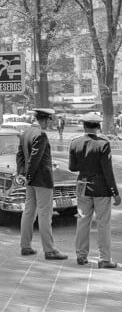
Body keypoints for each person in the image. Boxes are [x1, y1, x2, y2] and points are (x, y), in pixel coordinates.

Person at [69, 113, 121, 268]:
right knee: (103, 224)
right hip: (101, 188)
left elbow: (72, 167)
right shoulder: (103, 144)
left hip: (82, 186)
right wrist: (115, 192)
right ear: (98, 127)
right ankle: (105, 259)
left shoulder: (74, 143)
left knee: (82, 221)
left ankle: (81, 255)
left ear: (84, 126)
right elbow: (108, 171)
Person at [16, 108, 68, 260]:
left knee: (29, 212)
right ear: (45, 119)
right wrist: (30, 175)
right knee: (45, 215)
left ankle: (25, 246)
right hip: (41, 180)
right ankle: (50, 250)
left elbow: (20, 156)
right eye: (49, 121)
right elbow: (35, 159)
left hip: (30, 180)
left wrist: (22, 174)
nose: (49, 124)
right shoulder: (41, 134)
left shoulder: (25, 132)